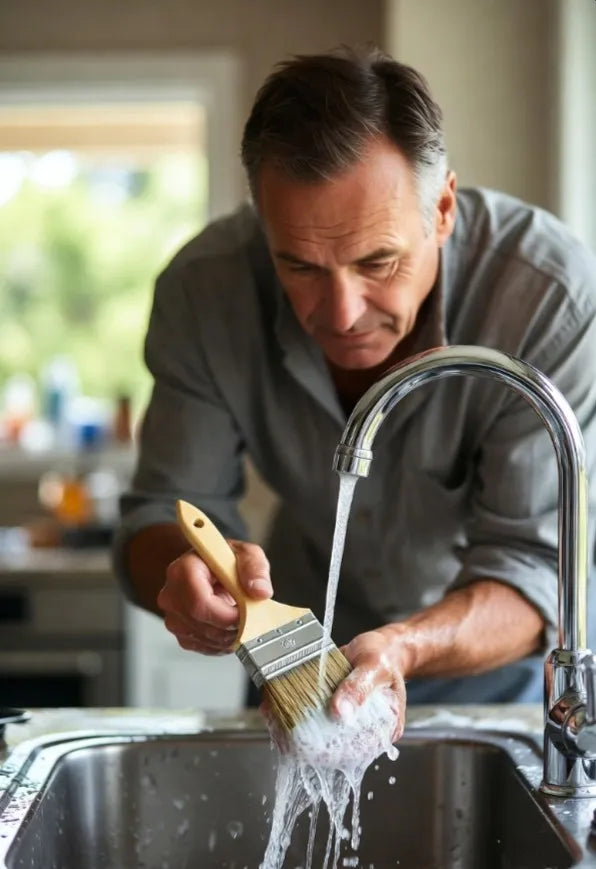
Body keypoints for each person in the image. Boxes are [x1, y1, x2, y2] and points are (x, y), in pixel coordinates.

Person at [114, 46, 596, 738]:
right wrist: (187, 571)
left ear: (444, 209)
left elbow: (533, 566)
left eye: (378, 261)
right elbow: (161, 510)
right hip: (297, 670)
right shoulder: (205, 292)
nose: (339, 314)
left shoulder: (547, 295)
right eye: (300, 265)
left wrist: (406, 644)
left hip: (498, 681)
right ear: (261, 224)